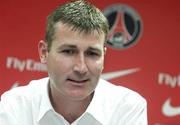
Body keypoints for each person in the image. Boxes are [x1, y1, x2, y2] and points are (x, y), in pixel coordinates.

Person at [0, 0, 148, 125]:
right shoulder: (14, 106)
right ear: (44, 53)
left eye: (92, 53)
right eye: (69, 52)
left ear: (103, 56)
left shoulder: (128, 108)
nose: (81, 68)